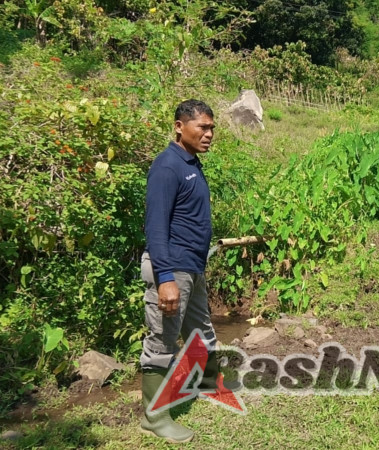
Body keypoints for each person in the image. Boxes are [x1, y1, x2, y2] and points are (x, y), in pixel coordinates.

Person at [139, 99, 224, 443]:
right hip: (171, 268)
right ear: (179, 126)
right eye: (202, 127)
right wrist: (166, 279)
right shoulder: (167, 166)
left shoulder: (191, 163)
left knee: (201, 330)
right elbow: (155, 226)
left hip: (192, 267)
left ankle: (207, 385)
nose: (209, 134)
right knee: (162, 341)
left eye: (212, 128)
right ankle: (154, 418)